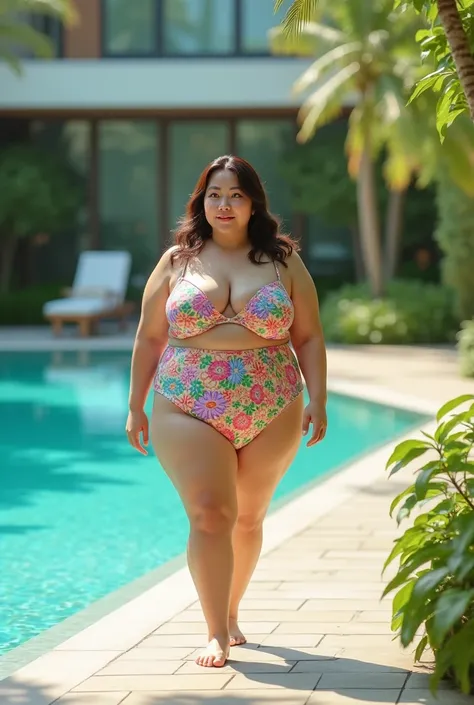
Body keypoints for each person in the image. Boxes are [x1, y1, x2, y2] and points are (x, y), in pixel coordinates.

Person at [126, 155, 327, 669]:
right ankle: (215, 632)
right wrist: (135, 406)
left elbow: (307, 334)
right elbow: (150, 337)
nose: (224, 204)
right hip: (186, 401)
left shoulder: (282, 261)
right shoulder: (177, 261)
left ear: (253, 202)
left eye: (235, 194)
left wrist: (319, 398)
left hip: (273, 401)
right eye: (214, 194)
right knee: (212, 513)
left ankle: (232, 611)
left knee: (250, 517)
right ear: (201, 201)